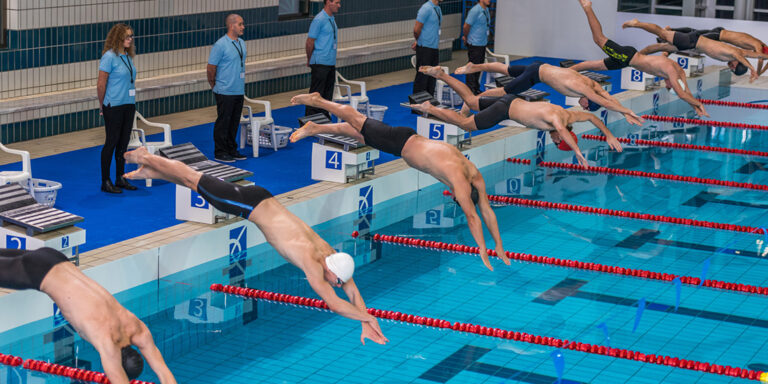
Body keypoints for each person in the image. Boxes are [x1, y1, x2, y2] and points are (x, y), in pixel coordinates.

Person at [124, 148, 390, 344]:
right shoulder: (311, 260)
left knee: (196, 185)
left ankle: (154, 170)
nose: (336, 284)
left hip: (261, 198)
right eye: (335, 281)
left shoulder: (330, 254)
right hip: (248, 206)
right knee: (194, 178)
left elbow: (352, 291)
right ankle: (146, 156)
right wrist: (366, 319)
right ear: (332, 271)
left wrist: (367, 320)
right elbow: (334, 304)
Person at [289, 93, 510, 272]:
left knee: (359, 134)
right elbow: (473, 216)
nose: (452, 192)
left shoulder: (474, 175)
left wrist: (498, 245)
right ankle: (318, 101)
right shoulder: (459, 182)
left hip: (406, 140)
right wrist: (482, 248)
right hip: (400, 142)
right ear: (461, 195)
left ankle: (315, 128)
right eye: (456, 196)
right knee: (356, 120)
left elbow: (486, 208)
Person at [0, 247, 176, 384]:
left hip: (56, 259)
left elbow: (165, 375)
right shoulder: (108, 343)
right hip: (39, 273)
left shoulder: (137, 329)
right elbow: (118, 379)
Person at [411, 67, 623, 167]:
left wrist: (609, 135)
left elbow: (592, 118)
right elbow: (559, 129)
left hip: (513, 100)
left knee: (472, 100)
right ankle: (430, 108)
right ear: (564, 138)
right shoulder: (560, 122)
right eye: (557, 143)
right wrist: (577, 152)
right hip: (504, 109)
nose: (553, 140)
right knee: (464, 123)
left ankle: (442, 75)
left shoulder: (572, 115)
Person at [568, 0, 708, 117]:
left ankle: (567, 70)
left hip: (627, 61)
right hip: (627, 57)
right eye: (670, 87)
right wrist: (699, 104)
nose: (667, 86)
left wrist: (695, 106)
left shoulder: (679, 73)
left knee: (593, 65)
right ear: (674, 83)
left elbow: (686, 92)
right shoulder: (671, 71)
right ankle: (587, 7)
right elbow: (682, 94)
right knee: (599, 39)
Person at [452, 62, 645, 125]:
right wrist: (627, 111)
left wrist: (623, 111)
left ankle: (475, 66)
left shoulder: (593, 85)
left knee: (507, 69)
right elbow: (607, 103)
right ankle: (472, 101)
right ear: (589, 100)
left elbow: (608, 97)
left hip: (538, 69)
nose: (582, 105)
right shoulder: (584, 89)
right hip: (536, 74)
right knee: (504, 91)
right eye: (585, 105)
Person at [623, 22, 768, 82]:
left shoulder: (743, 52)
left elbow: (760, 55)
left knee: (661, 47)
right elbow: (743, 56)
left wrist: (757, 72)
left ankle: (636, 57)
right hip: (693, 41)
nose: (730, 67)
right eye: (733, 67)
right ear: (738, 64)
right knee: (662, 33)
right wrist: (753, 70)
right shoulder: (735, 53)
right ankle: (637, 23)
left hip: (693, 45)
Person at [97, 23, 139, 194]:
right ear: (118, 38)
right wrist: (102, 105)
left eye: (131, 36)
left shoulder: (127, 57)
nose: (130, 39)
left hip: (128, 104)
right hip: (113, 105)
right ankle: (105, 180)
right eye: (127, 36)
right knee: (111, 142)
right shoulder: (109, 57)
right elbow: (101, 84)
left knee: (123, 143)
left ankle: (120, 177)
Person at [207, 14, 248, 163]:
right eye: (240, 24)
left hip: (238, 90)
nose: (243, 27)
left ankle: (231, 148)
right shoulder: (220, 45)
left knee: (234, 122)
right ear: (232, 26)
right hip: (224, 90)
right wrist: (215, 85)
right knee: (223, 122)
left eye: (243, 24)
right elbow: (211, 68)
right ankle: (220, 151)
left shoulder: (242, 43)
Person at [305, 0, 341, 119]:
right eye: (336, 3)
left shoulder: (331, 19)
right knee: (316, 94)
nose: (339, 5)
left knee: (327, 96)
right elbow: (310, 42)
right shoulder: (319, 19)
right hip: (320, 62)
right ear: (328, 3)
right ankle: (310, 121)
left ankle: (324, 119)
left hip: (330, 63)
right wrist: (310, 59)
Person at [413, 0, 443, 96]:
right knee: (422, 78)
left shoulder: (437, 8)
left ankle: (429, 103)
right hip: (425, 47)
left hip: (434, 47)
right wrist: (419, 41)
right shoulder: (426, 8)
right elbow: (416, 29)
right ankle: (418, 107)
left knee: (432, 76)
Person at [462, 0, 492, 95]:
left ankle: (475, 87)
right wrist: (466, 37)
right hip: (474, 43)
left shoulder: (486, 10)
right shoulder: (475, 11)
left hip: (482, 43)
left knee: (478, 67)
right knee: (472, 67)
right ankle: (470, 90)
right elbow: (466, 26)